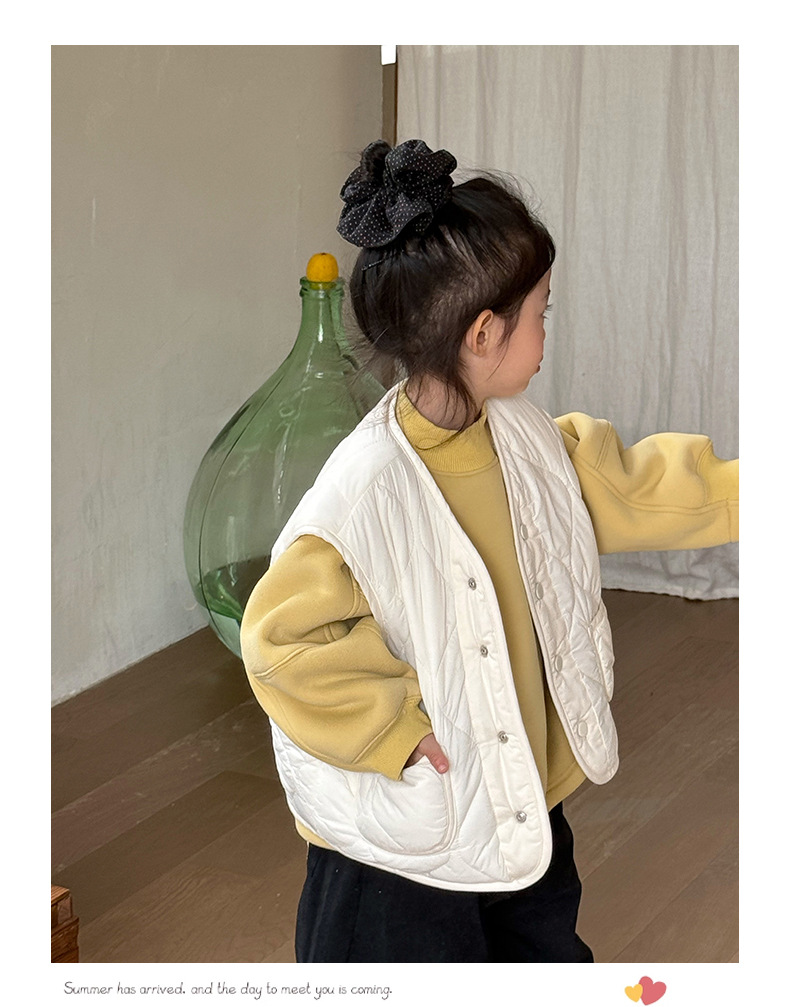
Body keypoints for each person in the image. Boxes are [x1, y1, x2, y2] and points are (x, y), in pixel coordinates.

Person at [239, 139, 738, 963]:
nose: (545, 332)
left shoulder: (529, 443)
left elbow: (638, 485)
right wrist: (393, 728)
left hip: (518, 797)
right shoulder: (364, 494)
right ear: (482, 333)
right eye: (542, 313)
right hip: (404, 840)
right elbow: (281, 640)